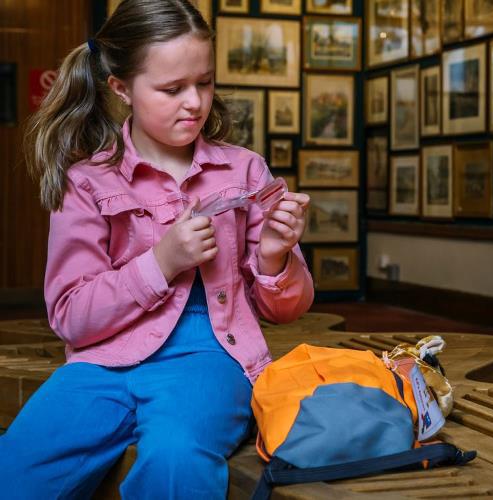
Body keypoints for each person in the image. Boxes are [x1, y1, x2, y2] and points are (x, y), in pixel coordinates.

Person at [0, 0, 314, 498]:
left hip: (211, 354)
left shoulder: (246, 170)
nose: (194, 102)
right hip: (100, 361)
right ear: (121, 88)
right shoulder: (86, 182)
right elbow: (69, 316)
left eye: (205, 82)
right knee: (17, 467)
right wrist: (161, 263)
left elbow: (286, 310)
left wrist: (275, 254)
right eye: (172, 89)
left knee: (176, 459)